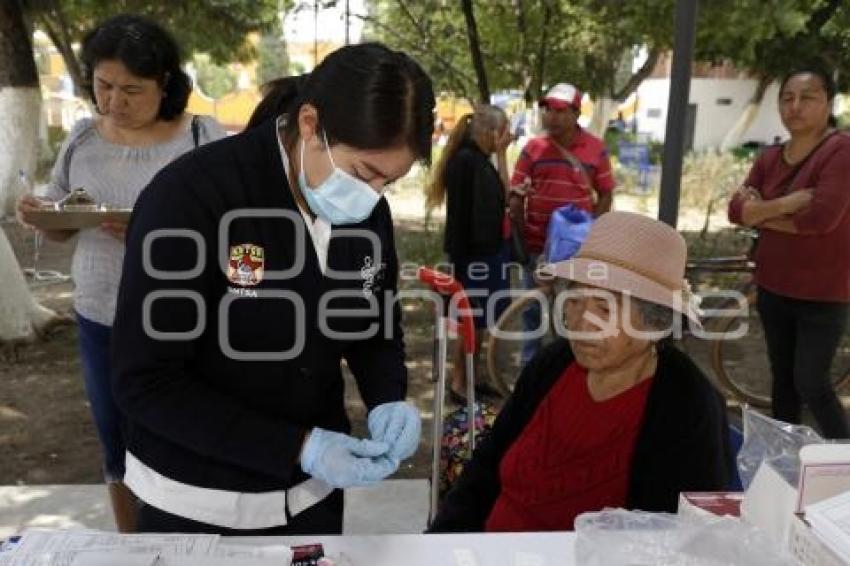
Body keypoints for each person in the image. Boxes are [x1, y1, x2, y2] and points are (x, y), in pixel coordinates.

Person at [110, 43, 435, 535]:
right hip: (198, 502)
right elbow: (146, 383)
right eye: (364, 173)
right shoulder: (192, 199)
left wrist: (388, 396)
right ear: (310, 124)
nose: (371, 196)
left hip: (312, 498)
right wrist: (299, 446)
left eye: (388, 183)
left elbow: (374, 327)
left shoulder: (367, 213)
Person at [15, 14, 226, 532]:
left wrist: (159, 237)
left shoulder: (201, 136)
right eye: (103, 86)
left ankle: (195, 541)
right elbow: (68, 221)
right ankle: (132, 547)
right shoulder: (82, 138)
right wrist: (45, 214)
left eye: (132, 90)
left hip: (183, 321)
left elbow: (232, 228)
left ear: (167, 85)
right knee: (115, 440)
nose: (113, 101)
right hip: (100, 314)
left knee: (185, 438)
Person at [428, 211, 732, 532]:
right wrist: (441, 543)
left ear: (655, 324)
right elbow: (485, 468)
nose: (582, 324)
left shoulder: (685, 404)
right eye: (574, 301)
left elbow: (668, 537)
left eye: (605, 308)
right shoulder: (552, 364)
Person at [728, 66, 850, 439]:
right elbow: (736, 211)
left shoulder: (840, 151)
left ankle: (844, 460)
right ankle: (785, 459)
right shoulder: (770, 156)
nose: (795, 106)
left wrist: (761, 211)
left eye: (807, 97)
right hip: (774, 286)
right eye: (787, 98)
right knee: (782, 379)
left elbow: (820, 220)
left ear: (827, 102)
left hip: (824, 292)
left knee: (811, 381)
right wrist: (788, 204)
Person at [509, 82, 615, 366]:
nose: (551, 116)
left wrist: (594, 232)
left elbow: (605, 193)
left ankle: (568, 369)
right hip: (536, 247)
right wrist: (517, 201)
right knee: (531, 310)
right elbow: (515, 188)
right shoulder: (533, 148)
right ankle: (529, 370)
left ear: (576, 113)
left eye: (559, 110)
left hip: (575, 252)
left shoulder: (596, 149)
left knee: (572, 310)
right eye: (547, 109)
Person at [426, 105, 512, 404]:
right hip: (476, 256)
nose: (509, 137)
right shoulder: (467, 161)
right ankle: (460, 383)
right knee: (471, 320)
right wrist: (461, 265)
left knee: (483, 319)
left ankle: (474, 378)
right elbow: (473, 213)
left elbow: (503, 199)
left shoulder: (479, 160)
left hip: (488, 253)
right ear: (491, 132)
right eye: (504, 131)